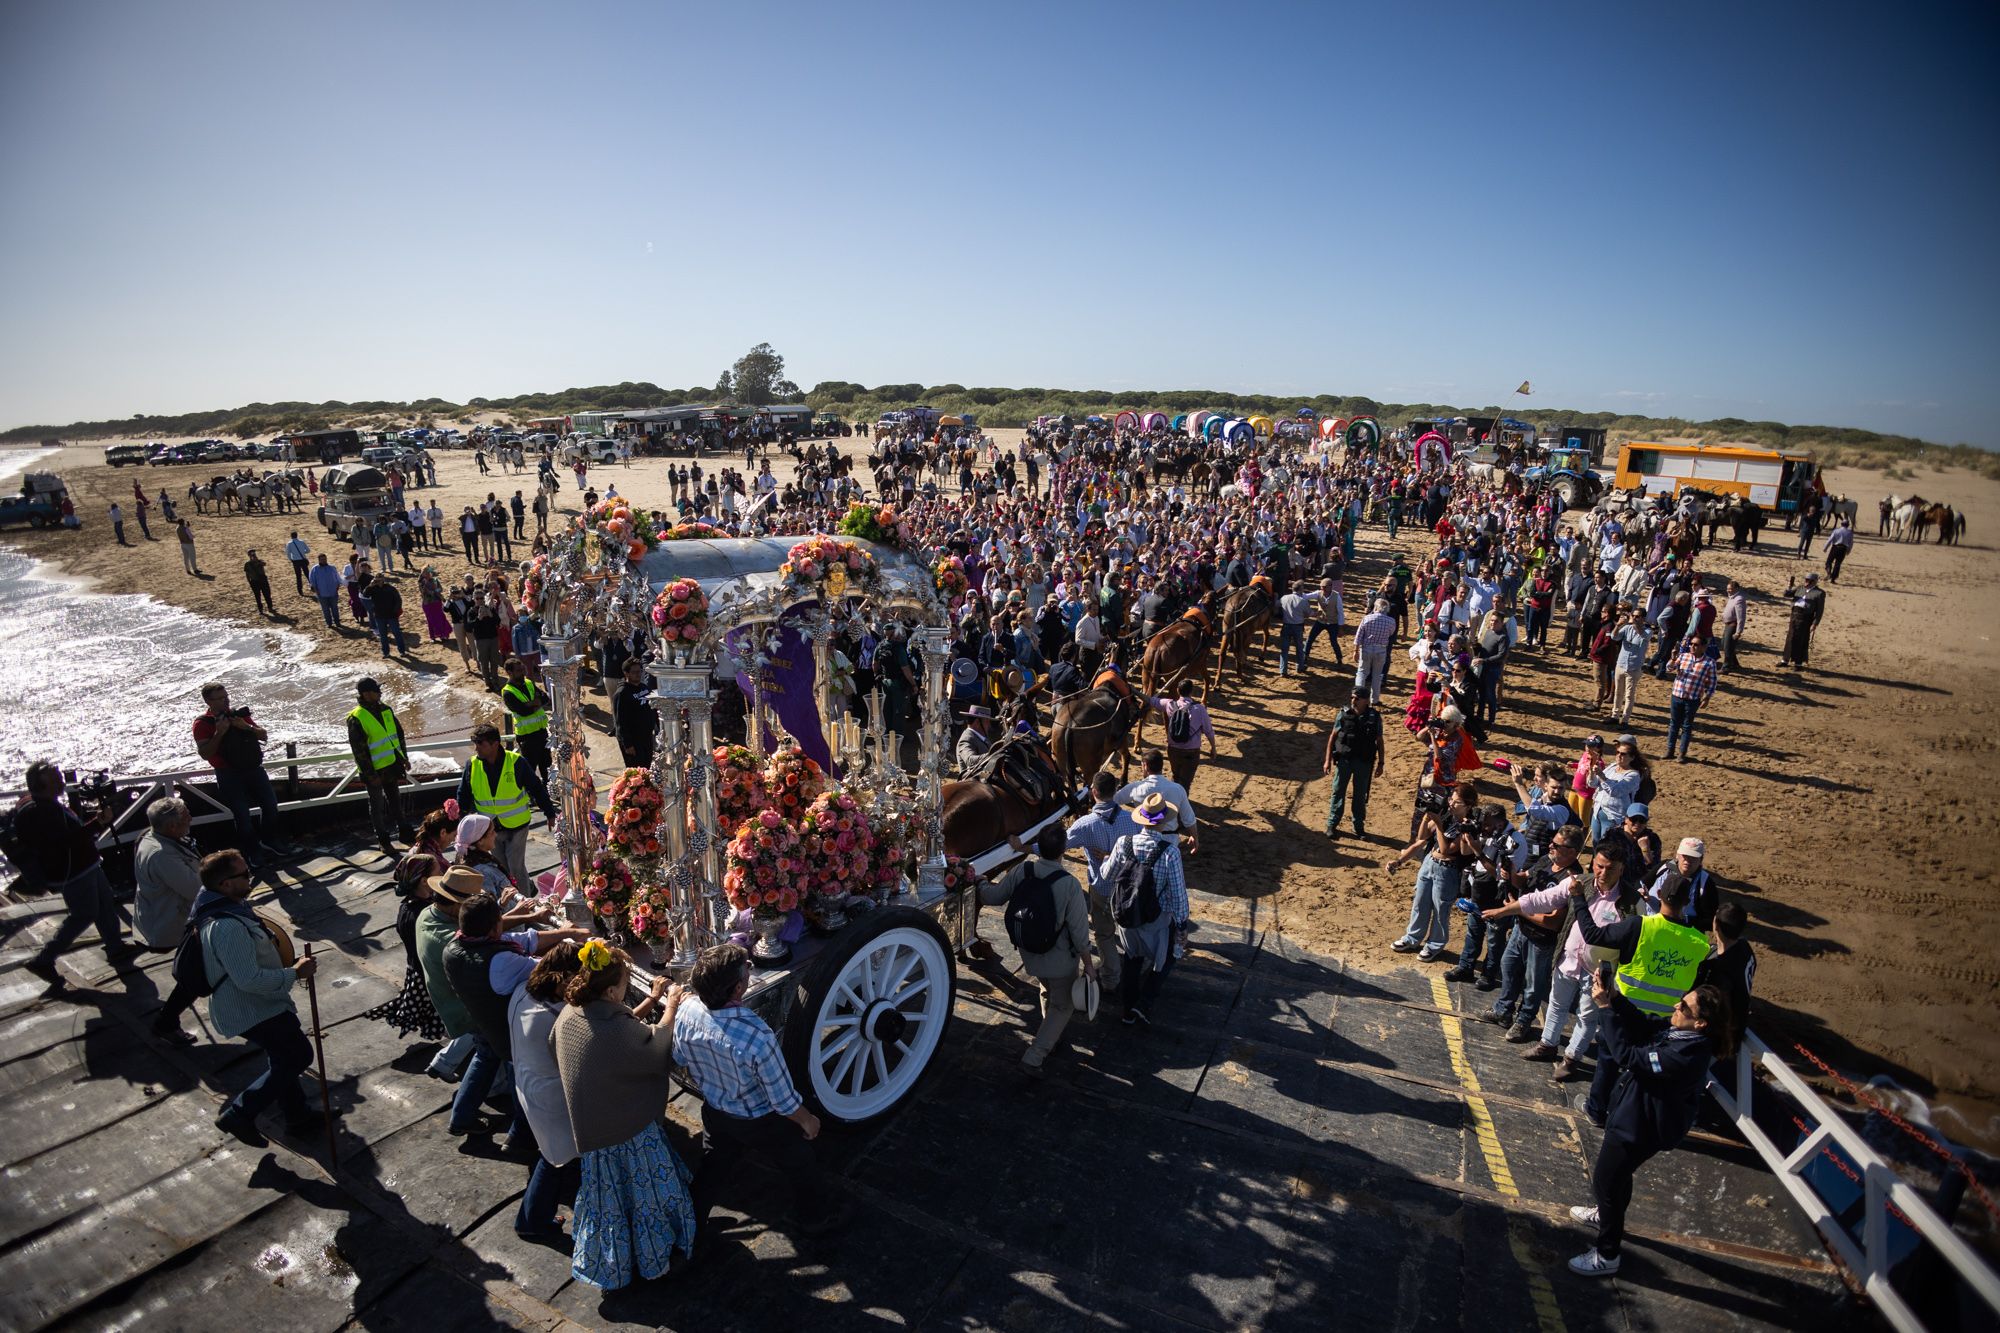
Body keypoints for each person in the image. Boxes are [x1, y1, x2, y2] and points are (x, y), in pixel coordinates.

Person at [549, 941, 697, 1282]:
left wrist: (653, 998)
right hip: (625, 1131)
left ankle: (612, 1263)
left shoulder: (571, 1012)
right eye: (626, 981)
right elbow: (653, 1047)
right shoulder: (615, 1029)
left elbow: (621, 1033)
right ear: (613, 989)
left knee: (612, 1204)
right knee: (648, 1201)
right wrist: (671, 1004)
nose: (628, 985)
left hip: (592, 1128)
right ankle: (654, 1261)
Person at [679, 943, 846, 1244]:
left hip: (716, 1111)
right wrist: (808, 1120)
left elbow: (679, 1057)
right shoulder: (757, 1035)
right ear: (738, 988)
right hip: (759, 1121)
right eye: (746, 970)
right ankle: (816, 1220)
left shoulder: (687, 1009)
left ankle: (689, 1224)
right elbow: (782, 1100)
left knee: (713, 1166)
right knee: (801, 1163)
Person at [1567, 977, 1733, 1277]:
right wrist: (1615, 999)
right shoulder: (1681, 1035)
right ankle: (1606, 1216)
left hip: (1639, 1129)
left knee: (1606, 1183)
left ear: (1701, 1024)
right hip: (1633, 1119)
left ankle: (1607, 1255)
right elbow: (1644, 1025)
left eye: (1684, 1007)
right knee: (1617, 1179)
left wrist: (1604, 1009)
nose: (1675, 1006)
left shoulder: (1685, 1056)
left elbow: (1627, 1056)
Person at [195, 849, 323, 1142]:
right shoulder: (227, 926)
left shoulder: (228, 908)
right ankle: (239, 1113)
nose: (250, 877)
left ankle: (298, 1117)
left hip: (260, 1003)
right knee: (298, 1054)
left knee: (282, 1058)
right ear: (225, 884)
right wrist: (294, 973)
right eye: (243, 875)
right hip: (252, 1009)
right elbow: (249, 980)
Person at [1568, 874, 1713, 1127]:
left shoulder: (1640, 926)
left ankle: (1596, 1109)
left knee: (1610, 1059)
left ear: (1658, 895)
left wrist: (1579, 897)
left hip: (1625, 1011)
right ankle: (1635, 1116)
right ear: (1687, 900)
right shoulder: (1701, 944)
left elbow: (1592, 935)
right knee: (1645, 1073)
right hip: (1668, 1023)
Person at [1479, 823, 1584, 1042]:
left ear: (1573, 852)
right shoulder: (1546, 860)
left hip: (1541, 939)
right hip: (1521, 929)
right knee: (1508, 966)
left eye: (1557, 845)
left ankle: (1524, 1020)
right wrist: (1511, 872)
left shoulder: (1572, 879)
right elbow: (1524, 879)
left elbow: (1554, 921)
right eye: (1552, 842)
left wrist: (1518, 908)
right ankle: (1503, 1009)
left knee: (1533, 984)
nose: (1550, 846)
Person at [509, 941, 585, 1241]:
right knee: (557, 1160)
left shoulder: (522, 993)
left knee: (553, 1154)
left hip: (529, 1086)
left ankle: (533, 1217)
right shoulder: (558, 1017)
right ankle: (532, 1221)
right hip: (554, 1101)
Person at [1101, 794, 1191, 1026]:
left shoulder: (1123, 843)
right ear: (1163, 823)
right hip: (1156, 919)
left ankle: (1127, 1011)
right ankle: (1146, 1001)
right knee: (1167, 958)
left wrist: (1106, 860)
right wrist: (1182, 925)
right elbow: (1179, 895)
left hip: (1127, 917)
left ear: (1141, 819)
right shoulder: (1170, 852)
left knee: (1131, 961)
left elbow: (1107, 876)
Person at [132, 797, 204, 1046]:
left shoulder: (150, 837)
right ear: (172, 827)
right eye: (186, 817)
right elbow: (196, 890)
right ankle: (166, 1022)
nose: (191, 819)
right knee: (196, 975)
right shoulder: (163, 856)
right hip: (171, 920)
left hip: (161, 913)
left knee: (201, 969)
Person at [453, 723, 558, 893]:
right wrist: (460, 819)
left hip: (517, 826)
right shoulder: (472, 765)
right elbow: (463, 793)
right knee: (501, 867)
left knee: (515, 866)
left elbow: (536, 787)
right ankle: (515, 897)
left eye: (481, 744)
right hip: (490, 829)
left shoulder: (517, 763)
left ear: (495, 744)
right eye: (475, 744)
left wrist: (549, 813)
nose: (476, 749)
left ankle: (526, 905)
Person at [1063, 770, 1136, 994]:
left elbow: (1058, 844)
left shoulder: (1085, 824)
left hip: (1102, 888)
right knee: (1131, 931)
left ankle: (1111, 978)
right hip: (1128, 888)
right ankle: (1135, 971)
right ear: (1115, 792)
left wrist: (1022, 846)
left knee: (1104, 934)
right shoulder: (1133, 821)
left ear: (1093, 792)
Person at [1385, 786, 1477, 961]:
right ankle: (1412, 938)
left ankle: (1435, 944)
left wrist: (1440, 825)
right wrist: (1428, 816)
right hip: (1429, 863)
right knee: (1420, 904)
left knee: (1441, 910)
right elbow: (1422, 837)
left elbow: (1447, 849)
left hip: (1447, 871)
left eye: (1456, 802)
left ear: (1468, 805)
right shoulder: (1446, 815)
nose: (1451, 803)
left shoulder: (1468, 825)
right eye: (1451, 799)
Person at [193, 682, 282, 862]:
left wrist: (245, 726)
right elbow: (205, 753)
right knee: (242, 816)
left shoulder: (237, 715)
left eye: (226, 696)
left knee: (271, 806)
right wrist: (220, 733)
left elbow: (263, 735)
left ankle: (269, 840)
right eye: (219, 698)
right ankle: (252, 851)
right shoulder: (202, 724)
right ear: (208, 701)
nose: (225, 701)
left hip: (253, 768)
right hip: (228, 774)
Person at [346, 676, 414, 858]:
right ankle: (383, 840)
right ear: (366, 694)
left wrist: (403, 758)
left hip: (391, 766)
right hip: (374, 771)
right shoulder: (356, 718)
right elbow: (358, 751)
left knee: (395, 801)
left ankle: (405, 832)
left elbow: (397, 736)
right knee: (376, 806)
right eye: (376, 691)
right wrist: (370, 774)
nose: (380, 693)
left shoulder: (386, 710)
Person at [1151, 680, 1215, 790]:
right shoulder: (1200, 708)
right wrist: (1213, 747)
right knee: (1186, 782)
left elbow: (1151, 700)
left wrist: (1133, 690)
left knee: (1176, 776)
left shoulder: (1169, 704)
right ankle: (1180, 802)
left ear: (1177, 691)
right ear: (1191, 692)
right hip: (1191, 751)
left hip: (1173, 749)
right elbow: (1208, 731)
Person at [1663, 639, 1719, 762]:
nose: (1692, 646)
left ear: (1704, 647)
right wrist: (1673, 658)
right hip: (1677, 695)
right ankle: (1670, 750)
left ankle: (1682, 753)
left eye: (1696, 645)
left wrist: (1707, 698)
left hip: (1693, 699)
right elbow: (1669, 668)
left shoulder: (1709, 663)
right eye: (1691, 644)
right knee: (1674, 724)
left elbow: (1712, 682)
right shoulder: (1683, 657)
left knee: (1687, 726)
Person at [500, 657, 552, 786]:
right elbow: (523, 711)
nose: (523, 673)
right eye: (519, 670)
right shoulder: (508, 692)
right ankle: (531, 795)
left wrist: (532, 704)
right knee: (530, 768)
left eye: (523, 669)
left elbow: (545, 698)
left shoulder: (528, 683)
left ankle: (549, 788)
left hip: (541, 731)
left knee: (546, 764)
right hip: (527, 736)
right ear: (509, 673)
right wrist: (535, 703)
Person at [612, 656, 658, 768]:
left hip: (646, 737)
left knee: (647, 767)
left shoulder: (644, 688)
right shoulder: (622, 694)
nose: (638, 674)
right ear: (626, 673)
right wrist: (628, 744)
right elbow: (620, 721)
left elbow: (651, 709)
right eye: (634, 672)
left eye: (639, 671)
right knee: (636, 772)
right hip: (633, 740)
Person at [1778, 573, 1827, 669]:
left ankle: (1798, 663)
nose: (1807, 582)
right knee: (1790, 637)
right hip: (1795, 615)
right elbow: (1786, 595)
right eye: (1806, 580)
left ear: (1815, 582)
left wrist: (1815, 623)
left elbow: (1820, 610)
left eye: (1809, 580)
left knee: (1802, 640)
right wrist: (1789, 587)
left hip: (1806, 617)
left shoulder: (1820, 593)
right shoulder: (1800, 588)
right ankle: (1785, 660)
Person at [1353, 599, 1396, 702]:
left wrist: (1356, 650)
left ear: (1375, 607)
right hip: (1381, 649)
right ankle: (1374, 699)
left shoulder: (1366, 618)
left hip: (1366, 648)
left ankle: (1358, 696)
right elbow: (1390, 633)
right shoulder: (1391, 621)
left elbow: (1358, 636)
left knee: (1362, 673)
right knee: (1377, 675)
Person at [362, 573, 409, 658]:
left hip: (391, 616)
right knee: (383, 635)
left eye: (380, 579)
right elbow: (365, 595)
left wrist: (395, 611)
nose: (378, 581)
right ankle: (386, 653)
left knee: (397, 633)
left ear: (383, 579)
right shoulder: (373, 589)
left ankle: (402, 651)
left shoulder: (390, 588)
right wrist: (370, 585)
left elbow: (398, 600)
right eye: (377, 580)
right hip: (379, 616)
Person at [307, 552, 344, 627]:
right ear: (319, 560)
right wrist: (316, 591)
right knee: (325, 610)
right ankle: (329, 623)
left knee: (335, 609)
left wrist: (337, 587)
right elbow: (312, 581)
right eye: (322, 559)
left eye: (325, 559)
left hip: (333, 592)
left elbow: (337, 579)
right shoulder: (314, 569)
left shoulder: (332, 568)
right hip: (322, 593)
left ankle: (337, 622)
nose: (324, 561)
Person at [1718, 580, 1747, 672]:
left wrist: (1738, 631)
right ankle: (1735, 664)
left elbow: (1741, 617)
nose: (1728, 591)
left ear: (1736, 589)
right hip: (1728, 624)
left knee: (1727, 646)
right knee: (1725, 644)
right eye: (1727, 589)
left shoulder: (1739, 599)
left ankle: (1726, 667)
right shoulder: (1731, 598)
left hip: (1733, 625)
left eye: (1730, 589)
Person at [244, 548, 276, 615]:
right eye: (252, 554)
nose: (253, 555)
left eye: (254, 553)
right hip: (254, 582)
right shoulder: (247, 564)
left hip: (263, 580)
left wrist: (256, 560)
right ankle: (260, 610)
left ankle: (270, 607)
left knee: (267, 594)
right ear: (249, 555)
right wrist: (249, 582)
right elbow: (247, 574)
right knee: (257, 596)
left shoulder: (259, 561)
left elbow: (264, 564)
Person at [283, 531, 312, 595]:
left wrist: (291, 559)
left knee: (298, 576)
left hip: (295, 561)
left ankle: (300, 590)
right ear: (297, 535)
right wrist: (302, 552)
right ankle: (312, 586)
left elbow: (288, 553)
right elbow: (308, 550)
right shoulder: (301, 542)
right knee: (307, 574)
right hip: (302, 560)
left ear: (291, 536)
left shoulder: (289, 543)